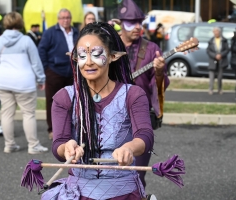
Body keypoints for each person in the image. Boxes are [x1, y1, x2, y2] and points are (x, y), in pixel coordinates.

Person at [44, 22, 155, 200]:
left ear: (113, 56)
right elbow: (59, 144)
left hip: (123, 192)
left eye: (96, 54)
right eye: (82, 55)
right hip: (79, 193)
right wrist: (67, 148)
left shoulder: (133, 94)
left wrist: (129, 147)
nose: (88, 62)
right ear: (75, 58)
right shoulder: (64, 97)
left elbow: (145, 136)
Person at [117, 0, 169, 193]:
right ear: (120, 23)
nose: (138, 27)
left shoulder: (151, 48)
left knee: (136, 173)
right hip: (110, 118)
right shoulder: (107, 45)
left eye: (140, 22)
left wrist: (159, 72)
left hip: (140, 119)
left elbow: (160, 87)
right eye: (132, 22)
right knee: (108, 172)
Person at [0, 12, 48, 154]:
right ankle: (33, 145)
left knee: (7, 114)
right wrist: (41, 79)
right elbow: (36, 63)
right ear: (20, 23)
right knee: (28, 114)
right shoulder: (26, 40)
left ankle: (9, 145)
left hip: (2, 82)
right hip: (24, 83)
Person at [38, 8, 79, 140]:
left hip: (73, 72)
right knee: (52, 101)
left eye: (68, 18)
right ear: (58, 19)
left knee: (72, 101)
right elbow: (41, 50)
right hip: (54, 72)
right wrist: (46, 69)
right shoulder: (50, 32)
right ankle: (52, 129)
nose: (66, 20)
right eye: (63, 18)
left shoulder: (76, 32)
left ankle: (71, 128)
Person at [206, 27, 229, 95]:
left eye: (217, 32)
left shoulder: (224, 40)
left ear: (219, 32)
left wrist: (221, 55)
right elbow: (208, 50)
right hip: (213, 60)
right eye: (214, 32)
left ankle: (220, 89)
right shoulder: (211, 41)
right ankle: (210, 89)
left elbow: (227, 49)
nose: (216, 33)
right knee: (211, 76)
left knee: (220, 77)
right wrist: (215, 55)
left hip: (221, 60)